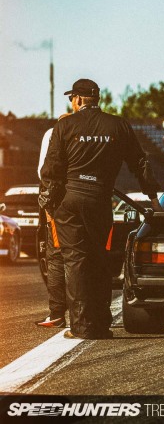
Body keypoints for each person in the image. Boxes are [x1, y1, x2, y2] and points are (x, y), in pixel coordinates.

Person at [39, 79, 161, 340]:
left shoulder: (65, 126)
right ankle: (102, 324)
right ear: (97, 99)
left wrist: (49, 205)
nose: (71, 103)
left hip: (69, 202)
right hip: (100, 201)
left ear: (79, 99)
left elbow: (50, 171)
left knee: (75, 261)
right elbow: (140, 162)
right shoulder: (117, 125)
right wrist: (153, 198)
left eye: (72, 98)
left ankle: (82, 327)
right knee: (98, 260)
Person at [34, 113, 71, 328]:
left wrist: (47, 203)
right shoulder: (88, 131)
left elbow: (43, 172)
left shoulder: (52, 133)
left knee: (56, 255)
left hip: (57, 199)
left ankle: (57, 312)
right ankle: (90, 310)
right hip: (86, 197)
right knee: (86, 256)